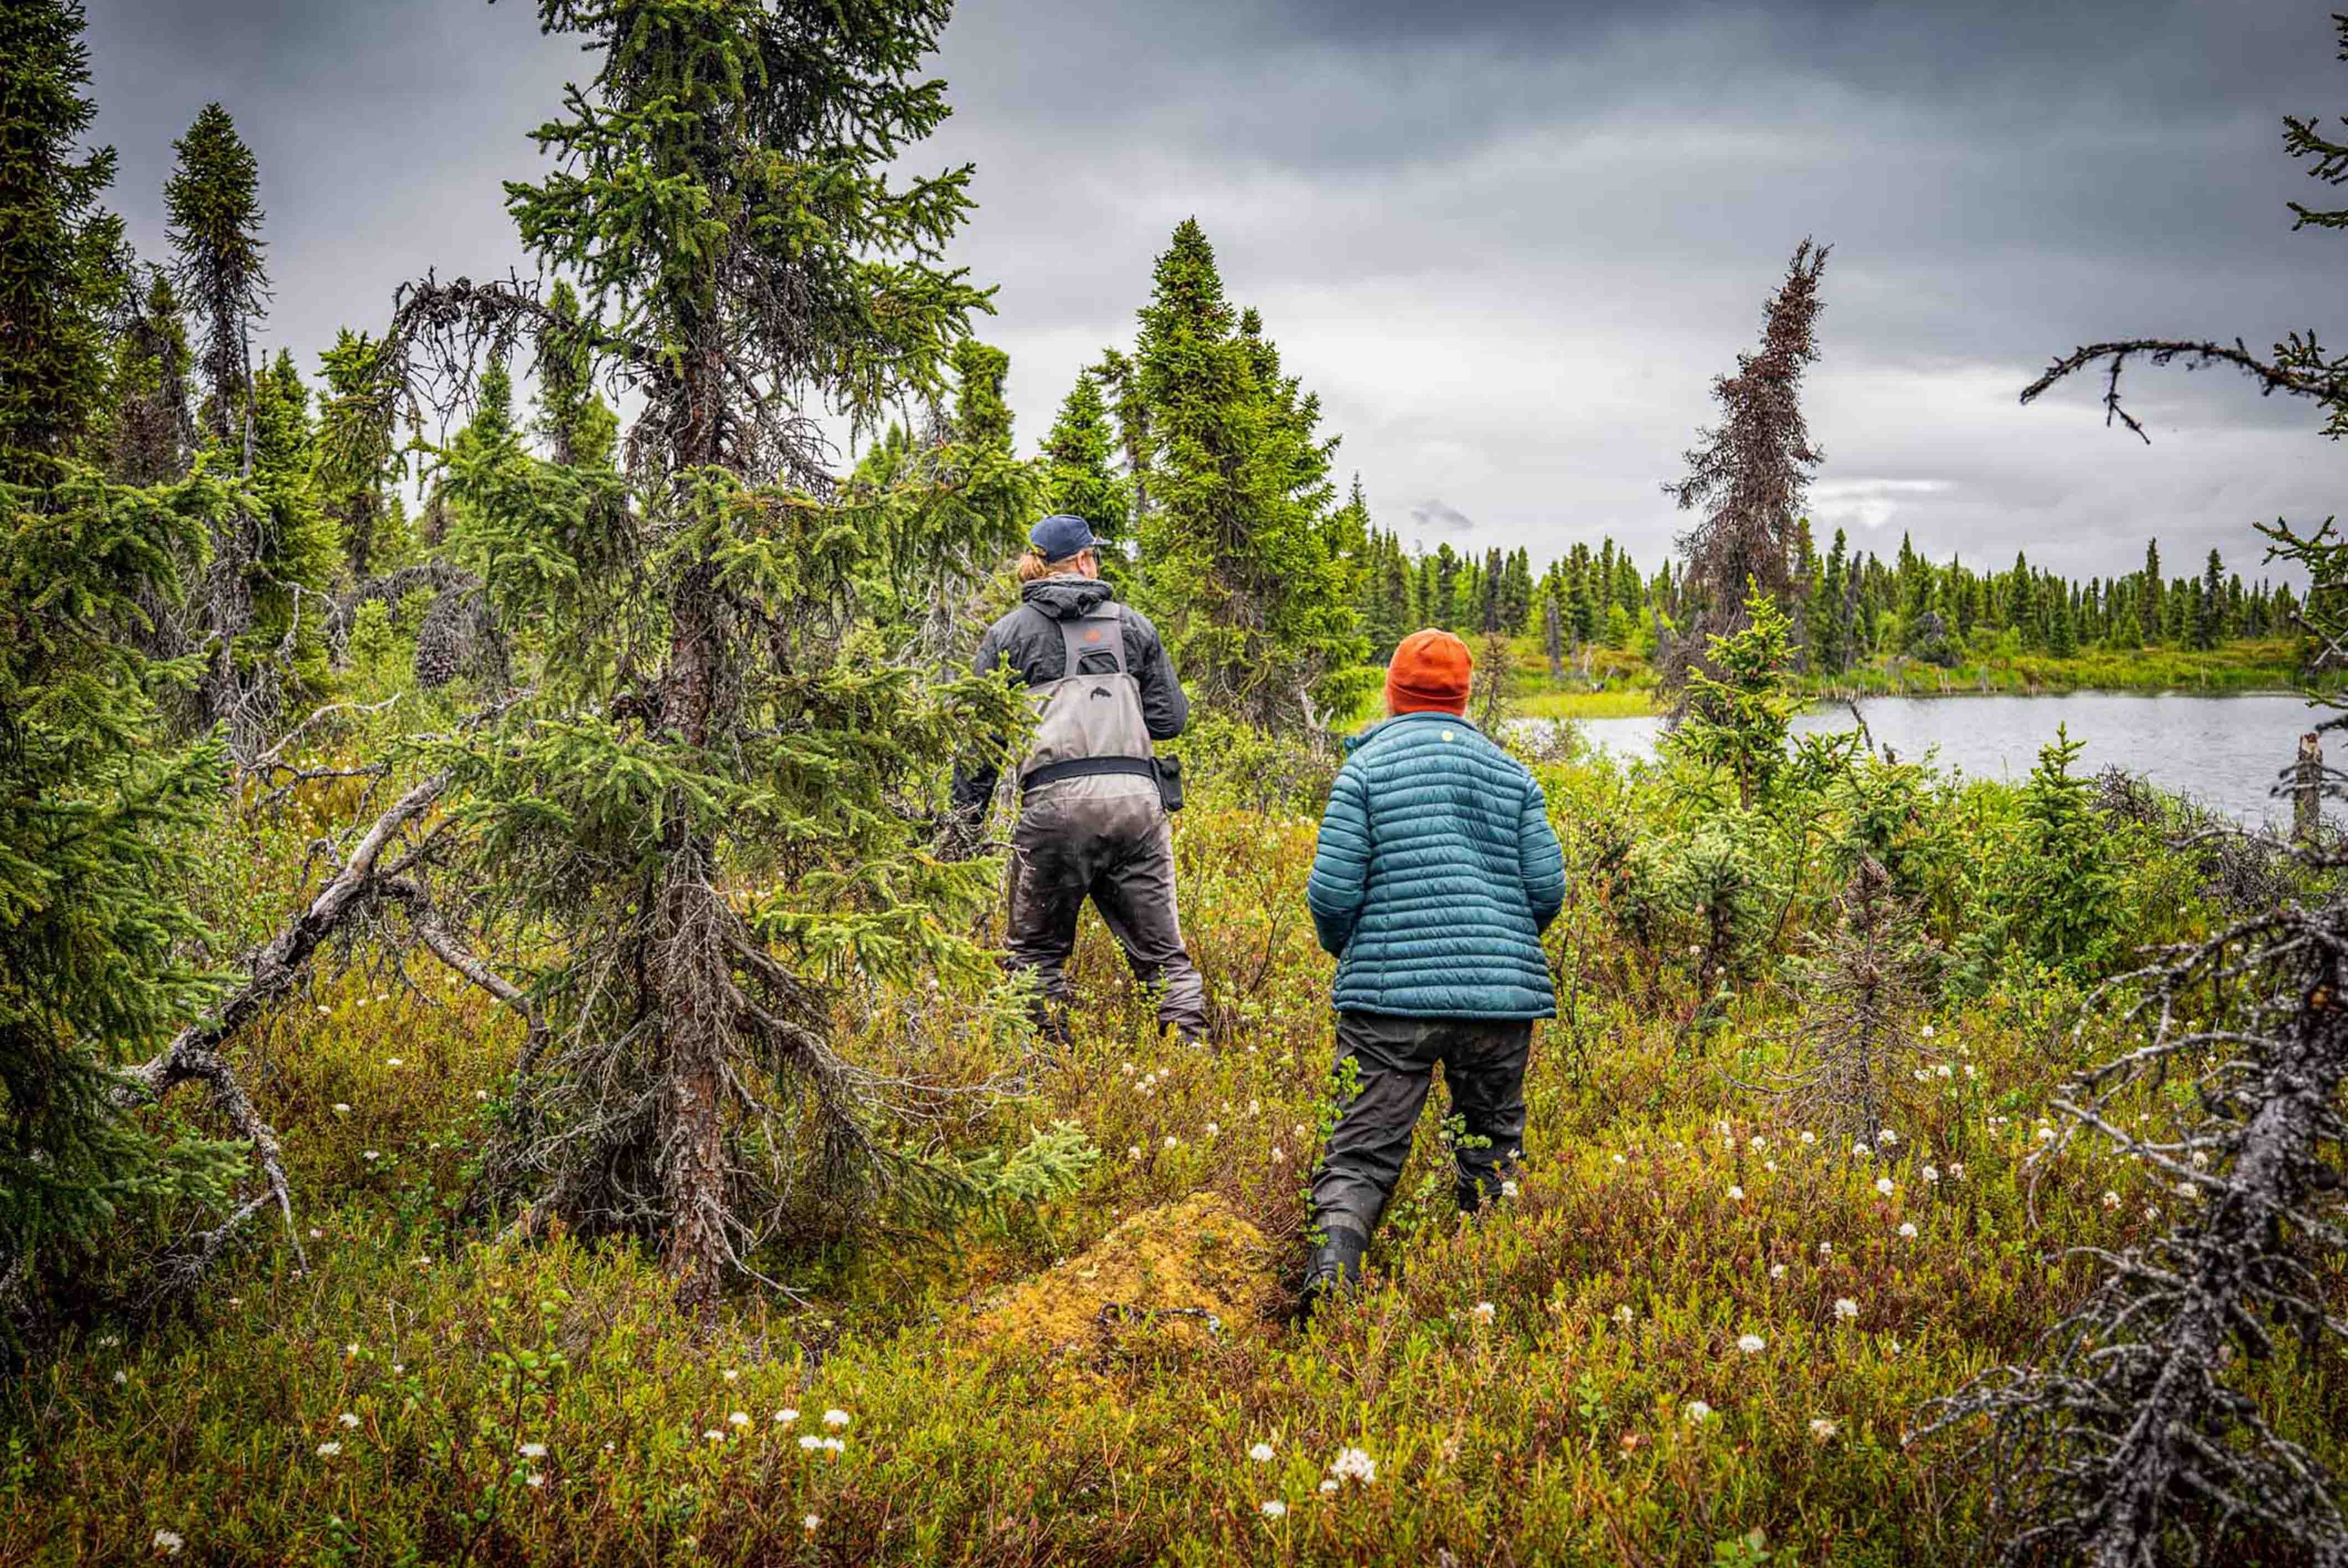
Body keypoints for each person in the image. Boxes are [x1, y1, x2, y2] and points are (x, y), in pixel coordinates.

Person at [1299, 627, 1566, 1311]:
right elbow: (1546, 890)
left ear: (1393, 693)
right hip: (1499, 1005)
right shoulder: (1513, 775)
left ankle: (1332, 1283)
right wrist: (1497, 948)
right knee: (1492, 1147)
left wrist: (1353, 951)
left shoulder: (1364, 771)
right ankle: (1497, 1293)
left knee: (1360, 1152)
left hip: (1389, 1005)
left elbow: (1332, 893)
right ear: (1463, 696)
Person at [950, 513, 1209, 1045]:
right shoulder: (1133, 627)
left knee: (1036, 954)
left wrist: (965, 826)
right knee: (1163, 956)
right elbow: (1170, 721)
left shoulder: (1009, 634)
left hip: (1054, 809)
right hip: (1138, 805)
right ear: (1086, 561)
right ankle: (1191, 1054)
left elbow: (982, 745)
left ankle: (1046, 1071)